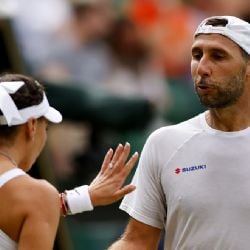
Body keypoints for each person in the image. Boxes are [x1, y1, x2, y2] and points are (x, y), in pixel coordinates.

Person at [108, 15, 250, 249]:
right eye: (197, 55)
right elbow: (136, 242)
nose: (202, 68)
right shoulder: (163, 143)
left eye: (218, 56)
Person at [0, 73, 138, 249]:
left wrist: (84, 197)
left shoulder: (37, 199)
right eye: (47, 127)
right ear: (31, 126)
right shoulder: (37, 196)